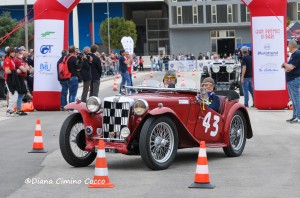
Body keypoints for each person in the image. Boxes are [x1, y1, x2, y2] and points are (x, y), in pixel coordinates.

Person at [282, 40, 300, 123]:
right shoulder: (294, 55)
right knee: (293, 98)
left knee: (295, 98)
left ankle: (298, 116)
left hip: (294, 79)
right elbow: (289, 68)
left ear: (292, 46)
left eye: (288, 45)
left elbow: (290, 67)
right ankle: (295, 116)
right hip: (291, 79)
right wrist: (287, 67)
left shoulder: (296, 54)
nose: (288, 46)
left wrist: (284, 64)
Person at [14, 48, 30, 115]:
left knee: (22, 94)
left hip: (23, 78)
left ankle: (19, 109)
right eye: (19, 52)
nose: (20, 53)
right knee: (20, 94)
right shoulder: (16, 60)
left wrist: (25, 69)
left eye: (21, 52)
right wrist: (24, 69)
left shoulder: (22, 60)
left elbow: (28, 68)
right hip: (19, 78)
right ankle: (18, 109)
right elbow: (24, 70)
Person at [4, 47, 18, 116]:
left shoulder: (12, 60)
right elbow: (7, 70)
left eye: (14, 52)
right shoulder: (7, 60)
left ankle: (11, 110)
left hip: (13, 79)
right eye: (12, 52)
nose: (13, 53)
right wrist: (14, 71)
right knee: (13, 95)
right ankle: (8, 111)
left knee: (14, 95)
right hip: (9, 80)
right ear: (9, 53)